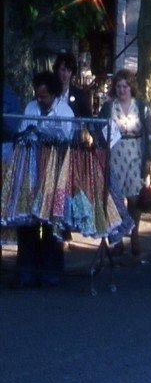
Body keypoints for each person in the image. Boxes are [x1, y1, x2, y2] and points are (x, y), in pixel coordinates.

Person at [12, 71, 76, 288]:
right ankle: (26, 270)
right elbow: (22, 133)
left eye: (44, 96)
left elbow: (67, 140)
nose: (40, 100)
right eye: (37, 96)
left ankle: (51, 272)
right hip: (31, 170)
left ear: (53, 94)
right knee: (28, 221)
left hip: (54, 171)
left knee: (51, 222)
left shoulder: (65, 111)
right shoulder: (31, 108)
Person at [98, 69, 151, 259]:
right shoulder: (109, 107)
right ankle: (118, 239)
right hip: (115, 153)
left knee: (134, 199)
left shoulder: (141, 106)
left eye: (125, 86)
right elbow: (98, 128)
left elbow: (150, 132)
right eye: (118, 86)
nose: (122, 90)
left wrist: (149, 158)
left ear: (131, 87)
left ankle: (135, 236)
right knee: (115, 199)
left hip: (135, 153)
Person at [54, 52, 91, 117]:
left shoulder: (79, 95)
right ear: (57, 70)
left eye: (69, 70)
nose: (65, 74)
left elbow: (88, 118)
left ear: (72, 72)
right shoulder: (50, 93)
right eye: (63, 70)